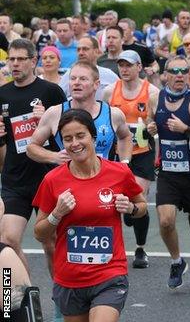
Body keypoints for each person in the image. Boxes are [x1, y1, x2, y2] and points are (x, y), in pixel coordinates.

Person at [33, 108, 147, 321]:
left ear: (93, 137)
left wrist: (131, 208)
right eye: (67, 139)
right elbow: (39, 233)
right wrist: (57, 214)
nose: (74, 143)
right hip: (70, 278)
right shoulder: (53, 180)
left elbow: (142, 207)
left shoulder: (119, 173)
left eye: (80, 135)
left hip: (110, 274)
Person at [0, 39, 67, 272]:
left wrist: (48, 119)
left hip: (47, 178)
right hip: (15, 180)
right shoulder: (2, 94)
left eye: (21, 59)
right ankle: (25, 297)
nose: (15, 64)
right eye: (12, 59)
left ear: (33, 61)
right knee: (7, 242)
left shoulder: (50, 92)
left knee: (50, 243)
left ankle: (61, 302)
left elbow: (67, 134)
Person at [146, 55, 190, 290]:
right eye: (175, 71)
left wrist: (186, 129)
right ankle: (176, 261)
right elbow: (147, 128)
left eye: (186, 70)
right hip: (168, 172)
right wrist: (149, 128)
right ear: (166, 75)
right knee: (165, 221)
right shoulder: (155, 98)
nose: (181, 75)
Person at [102, 50, 162, 267]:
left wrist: (153, 128)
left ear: (139, 67)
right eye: (121, 65)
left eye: (129, 65)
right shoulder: (110, 92)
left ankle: (140, 248)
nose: (124, 69)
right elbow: (102, 117)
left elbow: (159, 123)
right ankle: (113, 244)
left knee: (139, 198)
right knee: (118, 203)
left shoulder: (152, 92)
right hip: (117, 153)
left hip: (142, 152)